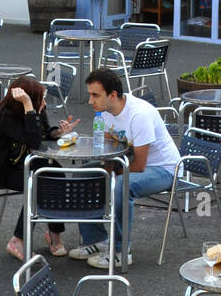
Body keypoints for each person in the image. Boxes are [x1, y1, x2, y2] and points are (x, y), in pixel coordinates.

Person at [67, 68, 181, 269]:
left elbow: (140, 164)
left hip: (165, 169)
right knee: (83, 174)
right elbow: (111, 151)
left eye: (95, 95)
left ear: (112, 95)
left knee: (121, 185)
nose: (90, 101)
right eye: (89, 94)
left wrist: (111, 174)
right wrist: (106, 170)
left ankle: (121, 251)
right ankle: (96, 240)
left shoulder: (139, 115)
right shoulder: (106, 112)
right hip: (128, 163)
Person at [0, 76, 79, 262]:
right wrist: (30, 107)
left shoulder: (36, 109)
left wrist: (57, 132)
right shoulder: (4, 115)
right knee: (38, 184)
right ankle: (18, 240)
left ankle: (54, 234)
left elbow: (42, 134)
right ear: (26, 99)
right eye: (40, 98)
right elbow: (32, 141)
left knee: (55, 171)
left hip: (18, 162)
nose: (44, 102)